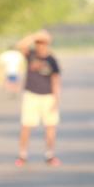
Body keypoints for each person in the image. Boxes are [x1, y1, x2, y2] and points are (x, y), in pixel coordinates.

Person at [16, 30, 62, 167]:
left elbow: (56, 80)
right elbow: (20, 45)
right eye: (38, 43)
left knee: (50, 127)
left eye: (43, 43)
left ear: (47, 44)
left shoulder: (52, 60)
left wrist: (56, 99)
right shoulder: (31, 55)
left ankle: (50, 155)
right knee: (26, 126)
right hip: (31, 95)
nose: (40, 46)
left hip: (47, 96)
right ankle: (22, 155)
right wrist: (35, 36)